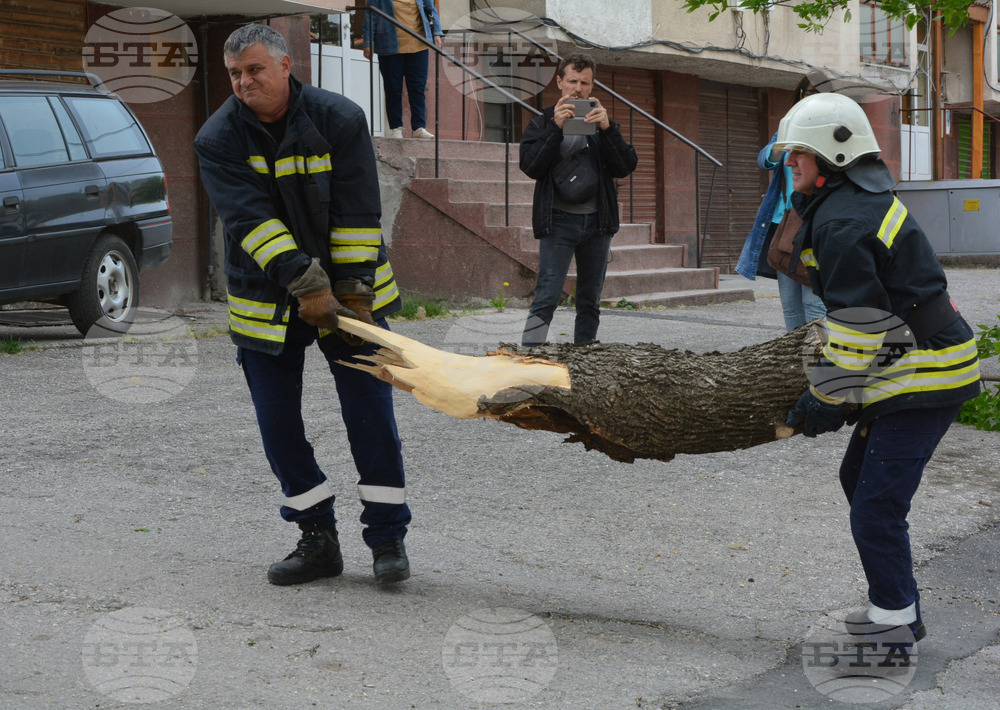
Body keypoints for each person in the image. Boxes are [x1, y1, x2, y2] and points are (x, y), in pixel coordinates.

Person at [194, 24, 412, 588]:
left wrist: (353, 292)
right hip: (268, 298)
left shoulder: (339, 118)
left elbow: (360, 211)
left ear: (287, 66)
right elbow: (250, 222)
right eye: (236, 74)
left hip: (351, 295)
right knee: (279, 427)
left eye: (255, 70)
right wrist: (304, 283)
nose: (244, 83)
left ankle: (388, 539)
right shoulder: (217, 138)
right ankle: (317, 537)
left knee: (372, 418)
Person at [775, 93, 981, 641]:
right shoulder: (851, 205)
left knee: (875, 507)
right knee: (863, 487)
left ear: (831, 158)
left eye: (799, 154)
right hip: (917, 356)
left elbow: (859, 324)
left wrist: (826, 396)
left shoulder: (843, 221)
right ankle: (897, 604)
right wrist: (844, 392)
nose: (790, 163)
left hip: (930, 372)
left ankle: (895, 627)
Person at [520, 53, 638, 346]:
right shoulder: (542, 122)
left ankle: (586, 357)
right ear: (559, 82)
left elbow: (625, 166)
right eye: (572, 81)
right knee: (547, 295)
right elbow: (531, 167)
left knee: (589, 299)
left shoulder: (603, 124)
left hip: (597, 223)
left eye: (585, 83)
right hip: (558, 221)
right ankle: (529, 354)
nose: (578, 88)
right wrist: (555, 128)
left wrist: (609, 130)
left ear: (592, 86)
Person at [736, 83, 826, 332]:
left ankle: (819, 357)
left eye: (814, 95)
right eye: (805, 95)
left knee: (814, 301)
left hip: (816, 221)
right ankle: (795, 360)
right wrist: (787, 133)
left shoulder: (833, 132)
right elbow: (766, 161)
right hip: (784, 223)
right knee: (790, 303)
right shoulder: (788, 130)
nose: (808, 100)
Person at [361, 0, 443, 139]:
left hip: (419, 45)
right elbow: (371, 14)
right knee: (393, 88)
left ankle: (418, 127)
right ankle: (396, 128)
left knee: (417, 87)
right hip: (389, 46)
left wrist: (436, 32)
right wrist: (368, 42)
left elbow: (431, 9)